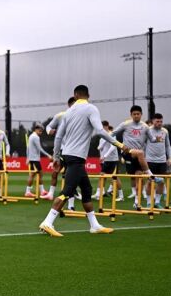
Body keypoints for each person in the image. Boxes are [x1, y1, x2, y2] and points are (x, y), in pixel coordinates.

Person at [38, 85, 129, 237]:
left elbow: (59, 137)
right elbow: (100, 131)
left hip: (68, 156)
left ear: (75, 95)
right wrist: (120, 145)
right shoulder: (91, 108)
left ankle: (94, 225)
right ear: (88, 95)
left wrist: (55, 157)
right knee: (67, 192)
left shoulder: (67, 112)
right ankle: (47, 222)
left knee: (86, 191)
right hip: (76, 158)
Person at [112, 105, 156, 208]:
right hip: (128, 152)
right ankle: (151, 175)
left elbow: (152, 139)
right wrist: (120, 145)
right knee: (140, 153)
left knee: (139, 180)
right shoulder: (125, 124)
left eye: (138, 114)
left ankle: (136, 202)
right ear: (131, 115)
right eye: (134, 114)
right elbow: (112, 134)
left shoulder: (145, 126)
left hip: (138, 158)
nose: (136, 116)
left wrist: (156, 139)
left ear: (141, 115)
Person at [42, 97, 76, 201]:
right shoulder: (61, 116)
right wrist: (49, 131)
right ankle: (51, 194)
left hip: (75, 150)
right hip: (63, 149)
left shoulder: (80, 117)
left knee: (71, 175)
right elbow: (48, 126)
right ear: (70, 105)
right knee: (56, 171)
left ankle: (71, 201)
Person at [145, 113, 171, 208]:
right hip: (150, 160)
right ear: (153, 121)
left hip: (162, 161)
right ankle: (148, 203)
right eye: (157, 121)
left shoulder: (165, 131)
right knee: (149, 182)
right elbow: (143, 145)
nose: (159, 123)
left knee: (161, 181)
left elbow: (168, 146)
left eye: (161, 121)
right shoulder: (148, 131)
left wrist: (169, 157)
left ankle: (157, 202)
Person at [93, 121, 123, 201]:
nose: (101, 129)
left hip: (112, 160)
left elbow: (113, 147)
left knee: (113, 177)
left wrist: (105, 156)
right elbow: (101, 147)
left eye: (103, 127)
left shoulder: (111, 134)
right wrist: (100, 150)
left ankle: (121, 195)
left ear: (107, 127)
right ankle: (99, 193)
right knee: (102, 176)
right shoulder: (102, 136)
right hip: (105, 160)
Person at [24, 124, 51, 198]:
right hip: (35, 159)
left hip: (33, 159)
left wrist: (27, 158)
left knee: (38, 174)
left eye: (41, 131)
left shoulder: (31, 136)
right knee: (37, 174)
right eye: (40, 131)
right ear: (36, 130)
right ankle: (29, 191)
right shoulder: (35, 137)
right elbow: (40, 148)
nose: (41, 133)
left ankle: (41, 191)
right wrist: (48, 155)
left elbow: (28, 148)